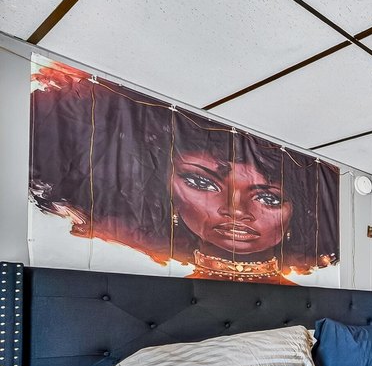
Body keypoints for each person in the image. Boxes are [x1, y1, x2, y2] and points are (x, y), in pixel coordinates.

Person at [29, 58, 339, 284]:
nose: (236, 211)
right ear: (163, 190)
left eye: (268, 198)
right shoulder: (146, 297)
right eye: (201, 182)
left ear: (302, 213)